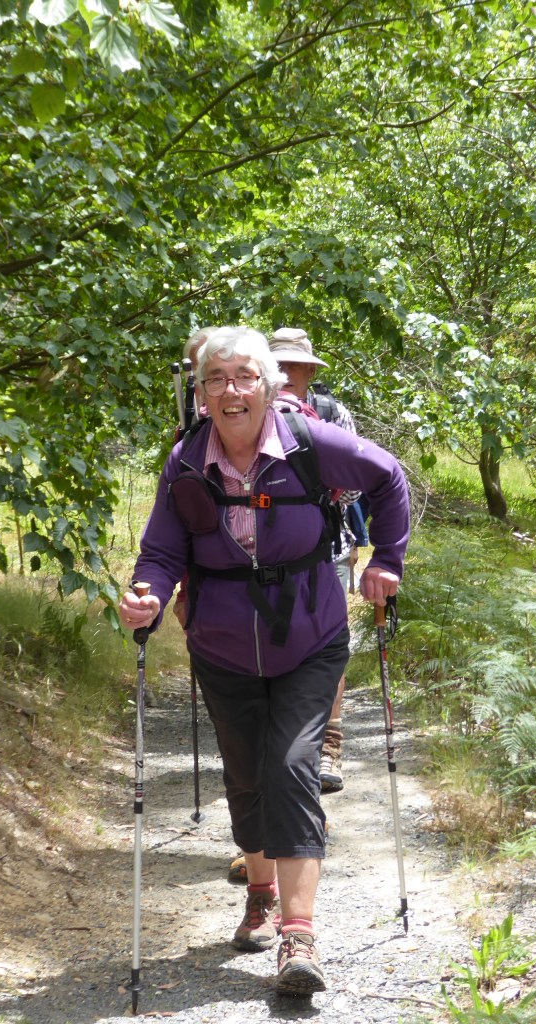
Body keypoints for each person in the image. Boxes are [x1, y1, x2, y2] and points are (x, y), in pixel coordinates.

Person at [119, 326, 409, 996]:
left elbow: (388, 476)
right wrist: (147, 599)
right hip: (221, 647)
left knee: (291, 768)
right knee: (247, 778)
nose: (231, 390)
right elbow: (161, 552)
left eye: (245, 377)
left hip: (310, 638)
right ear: (200, 394)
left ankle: (298, 935)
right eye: (216, 379)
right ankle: (260, 891)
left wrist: (387, 559)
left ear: (269, 386)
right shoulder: (186, 461)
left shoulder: (310, 443)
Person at [269, 327, 362, 794]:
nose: (286, 373)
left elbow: (359, 483)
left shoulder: (332, 414)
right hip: (263, 559)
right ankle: (283, 746)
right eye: (277, 365)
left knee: (328, 647)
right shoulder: (246, 416)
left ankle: (329, 746)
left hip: (329, 551)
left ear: (310, 370)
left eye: (295, 365)